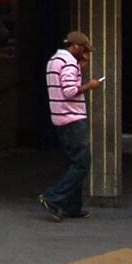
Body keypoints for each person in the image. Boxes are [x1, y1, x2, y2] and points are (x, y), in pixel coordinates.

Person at [37, 30, 104, 221]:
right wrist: (90, 85)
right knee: (82, 163)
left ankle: (72, 207)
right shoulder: (68, 63)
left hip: (59, 118)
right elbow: (69, 91)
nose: (86, 53)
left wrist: (80, 68)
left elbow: (63, 85)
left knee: (71, 163)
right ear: (75, 46)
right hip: (72, 119)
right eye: (84, 49)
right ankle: (52, 198)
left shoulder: (54, 60)